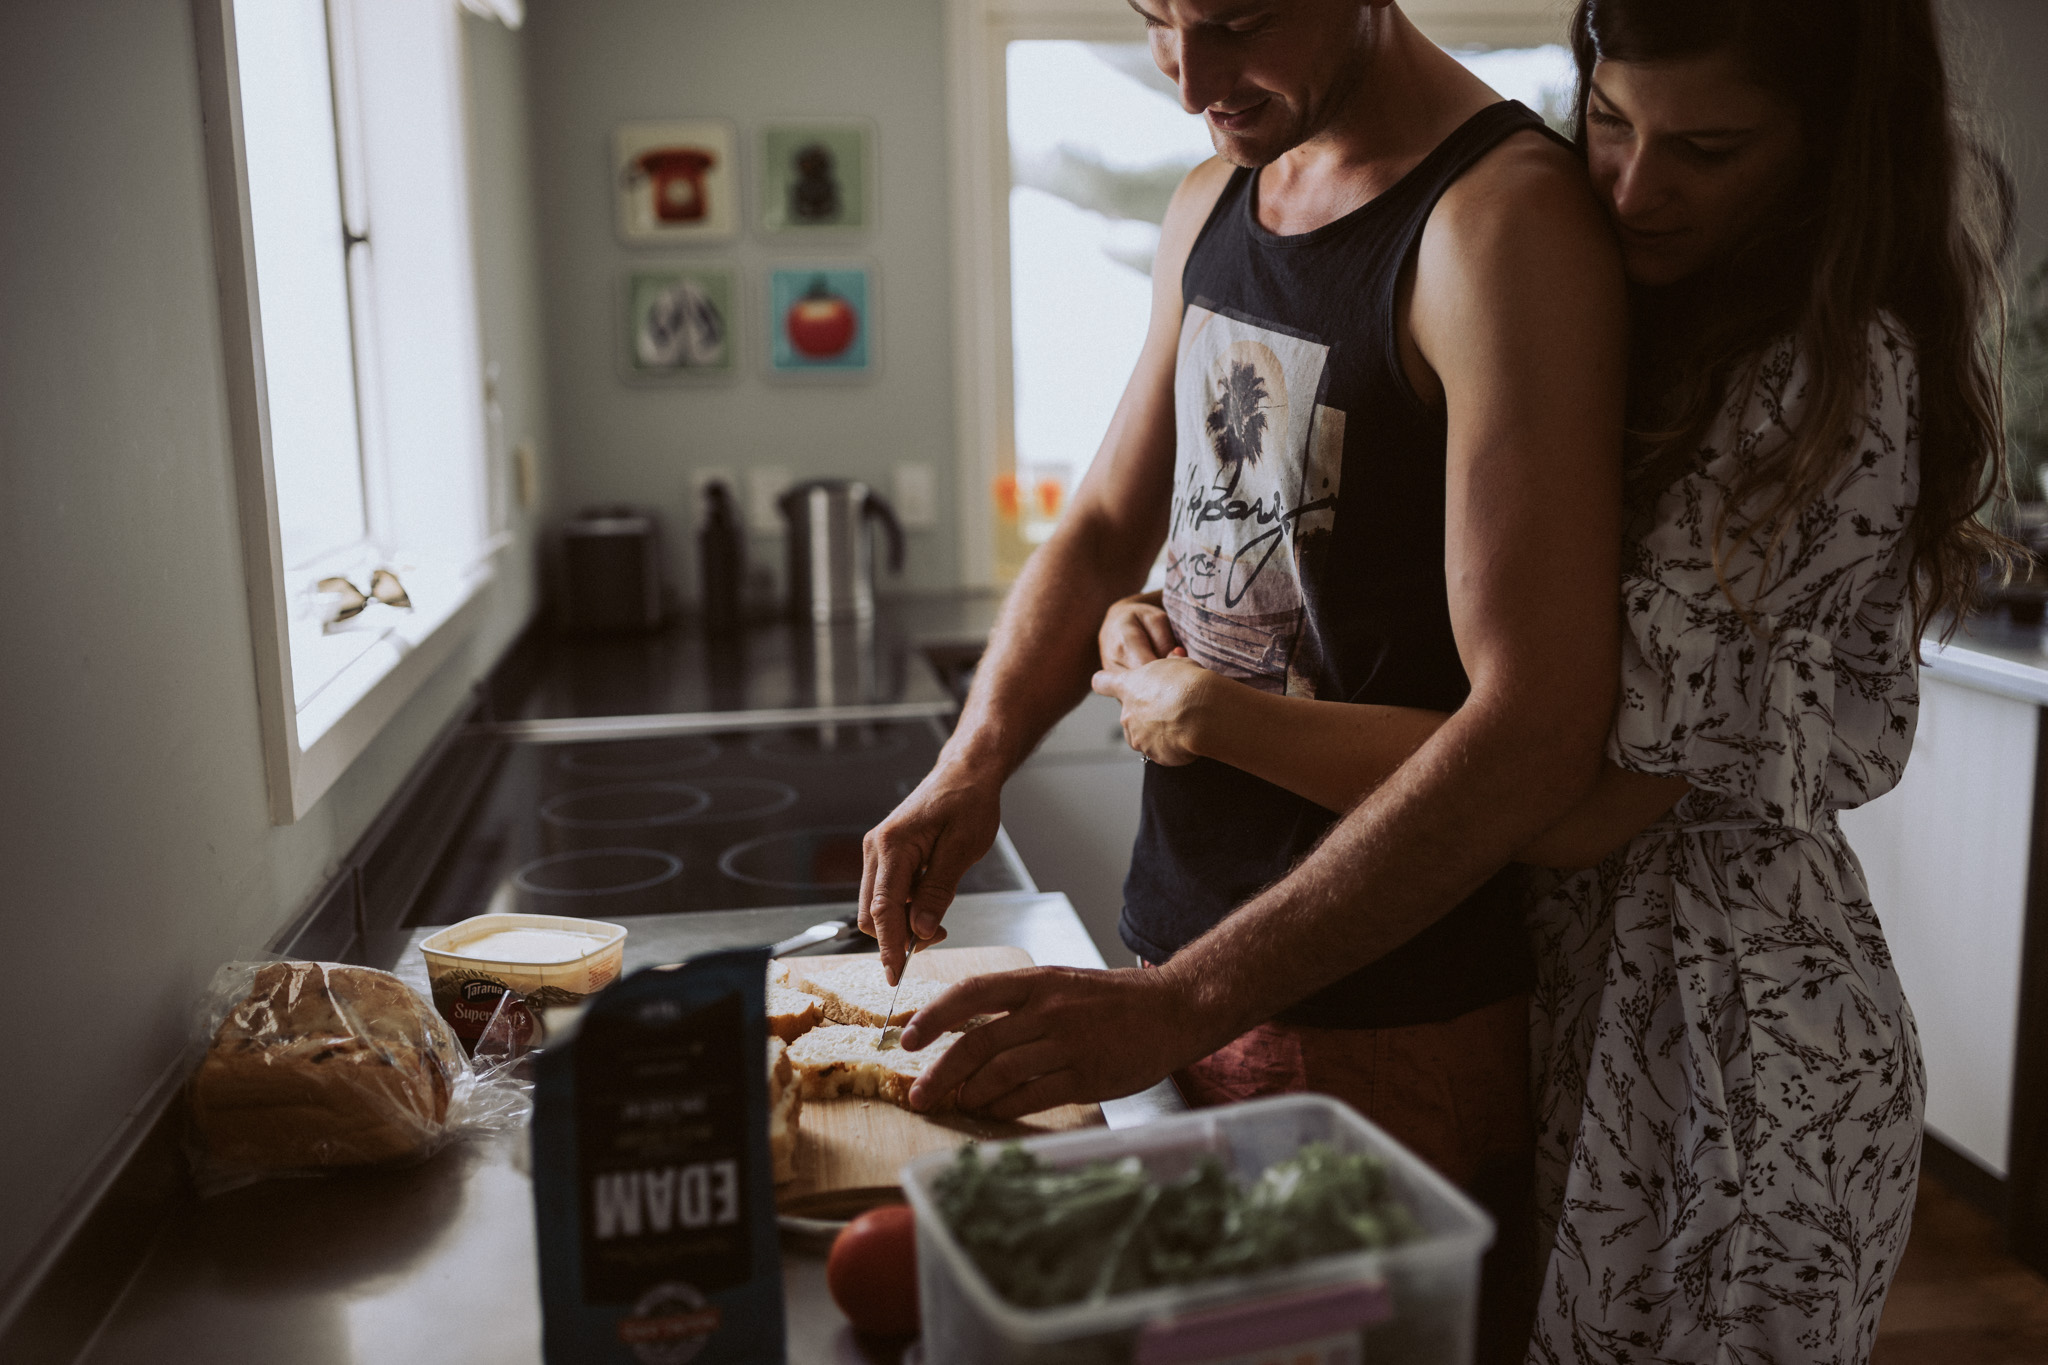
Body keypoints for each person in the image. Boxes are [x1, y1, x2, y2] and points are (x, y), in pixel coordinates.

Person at [1089, 0, 2011, 1358]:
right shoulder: (1657, 305)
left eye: (1709, 149)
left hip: (1728, 1054)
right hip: (1582, 1005)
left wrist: (1221, 721)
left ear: (1830, 151)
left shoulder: (1824, 377)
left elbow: (1573, 795)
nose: (1632, 188)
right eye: (1615, 124)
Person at [860, 0, 1627, 1346]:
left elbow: (1536, 731)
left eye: (1238, 20)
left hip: (1378, 1019)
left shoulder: (1499, 223)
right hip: (1173, 960)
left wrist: (1182, 1002)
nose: (1189, 78)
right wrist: (970, 764)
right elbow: (1108, 524)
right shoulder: (1217, 196)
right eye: (1158, 18)